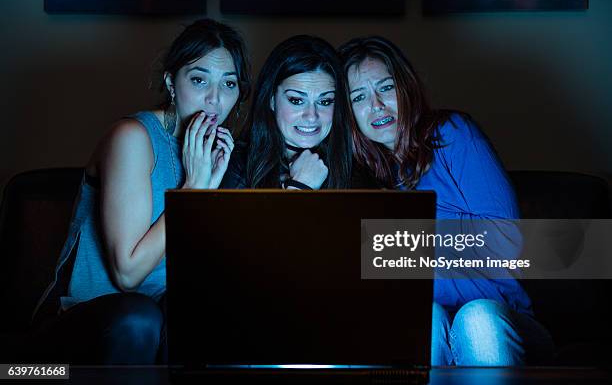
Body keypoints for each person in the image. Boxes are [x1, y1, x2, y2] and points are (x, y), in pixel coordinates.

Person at [29, 18, 251, 364]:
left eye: (229, 84)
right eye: (198, 79)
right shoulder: (132, 138)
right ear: (171, 83)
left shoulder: (216, 155)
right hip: (89, 319)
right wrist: (192, 191)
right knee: (140, 319)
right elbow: (128, 274)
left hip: (160, 319)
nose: (214, 99)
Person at [338, 36, 554, 366]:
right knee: (425, 318)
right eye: (358, 97)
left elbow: (505, 240)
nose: (377, 106)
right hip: (433, 322)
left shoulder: (451, 134)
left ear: (405, 88)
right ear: (348, 113)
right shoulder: (360, 177)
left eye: (385, 87)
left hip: (501, 320)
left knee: (475, 318)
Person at [221, 35, 352, 190]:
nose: (311, 116)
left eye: (325, 102)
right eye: (296, 100)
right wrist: (300, 187)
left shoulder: (355, 166)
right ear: (271, 100)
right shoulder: (234, 164)